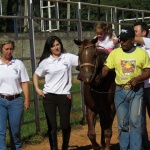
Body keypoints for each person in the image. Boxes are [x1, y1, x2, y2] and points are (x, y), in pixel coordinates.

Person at [99, 27, 150, 150]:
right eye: (121, 39)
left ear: (132, 40)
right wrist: (101, 74)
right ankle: (124, 147)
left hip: (136, 92)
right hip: (120, 92)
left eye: (125, 40)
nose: (122, 42)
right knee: (122, 124)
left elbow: (148, 71)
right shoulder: (115, 53)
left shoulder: (142, 53)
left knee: (135, 122)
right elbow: (107, 67)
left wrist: (138, 78)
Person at [33, 36, 78, 150]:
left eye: (57, 44)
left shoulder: (68, 57)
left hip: (64, 95)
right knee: (52, 126)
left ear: (61, 45)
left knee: (65, 125)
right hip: (49, 96)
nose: (56, 47)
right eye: (53, 46)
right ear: (50, 48)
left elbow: (83, 60)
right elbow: (36, 74)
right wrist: (37, 88)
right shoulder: (46, 61)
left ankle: (64, 147)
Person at [0, 36, 30, 149]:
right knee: (0, 132)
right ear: (1, 49)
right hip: (0, 101)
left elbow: (24, 82)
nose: (9, 51)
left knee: (15, 132)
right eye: (6, 49)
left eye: (11, 49)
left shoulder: (18, 64)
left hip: (15, 101)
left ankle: (17, 147)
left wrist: (27, 99)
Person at [133, 22, 150, 150]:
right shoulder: (133, 48)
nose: (133, 34)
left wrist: (122, 36)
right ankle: (144, 146)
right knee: (140, 120)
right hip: (138, 88)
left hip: (149, 88)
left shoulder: (149, 43)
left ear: (144, 33)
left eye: (136, 31)